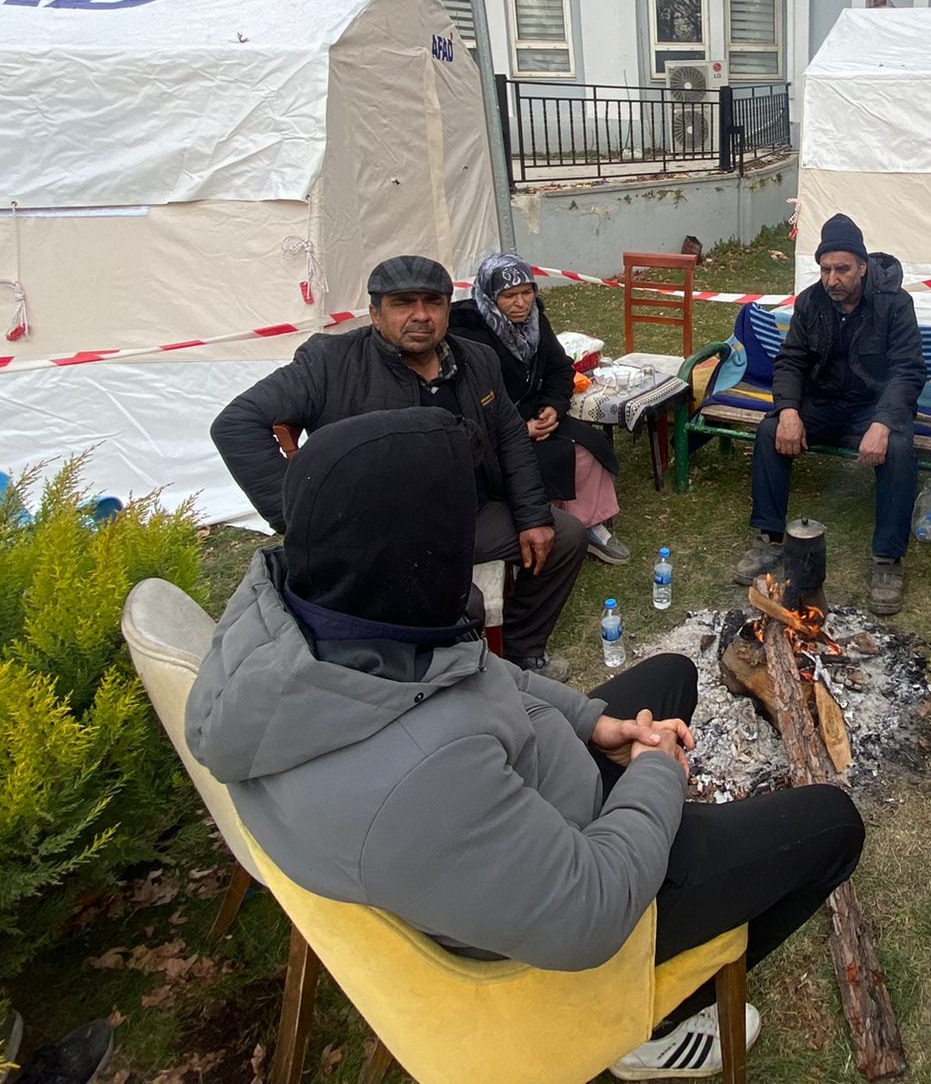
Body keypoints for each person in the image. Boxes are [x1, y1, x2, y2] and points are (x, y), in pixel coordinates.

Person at [186, 410, 866, 1081]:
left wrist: (594, 726)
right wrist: (655, 774)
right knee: (833, 825)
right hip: (581, 891)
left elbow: (468, 674)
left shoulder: (306, 618)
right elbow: (590, 910)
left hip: (506, 808)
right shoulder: (418, 778)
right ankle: (653, 1024)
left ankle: (648, 797)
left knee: (673, 677)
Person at [210, 254, 587, 681]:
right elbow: (236, 424)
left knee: (565, 536)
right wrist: (300, 518)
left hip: (468, 513)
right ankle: (459, 682)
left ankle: (520, 654)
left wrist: (533, 516)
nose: (421, 315)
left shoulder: (477, 360)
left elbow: (510, 438)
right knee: (466, 605)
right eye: (403, 303)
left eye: (433, 302)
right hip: (384, 533)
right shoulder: (330, 363)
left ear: (449, 307)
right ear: (375, 312)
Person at [734, 214, 925, 616]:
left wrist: (882, 423)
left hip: (874, 407)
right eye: (825, 269)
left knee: (901, 448)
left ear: (863, 267)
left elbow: (907, 370)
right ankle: (770, 539)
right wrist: (788, 410)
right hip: (824, 402)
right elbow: (790, 361)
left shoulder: (894, 303)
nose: (832, 279)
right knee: (770, 432)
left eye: (842, 269)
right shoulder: (810, 302)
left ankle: (887, 562)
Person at [449, 251, 632, 565]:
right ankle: (551, 526)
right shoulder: (467, 334)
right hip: (494, 431)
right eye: (509, 296)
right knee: (552, 458)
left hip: (537, 414)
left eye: (527, 292)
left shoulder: (535, 321)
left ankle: (590, 527)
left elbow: (561, 370)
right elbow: (466, 403)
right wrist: (519, 430)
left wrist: (553, 406)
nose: (521, 303)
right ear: (490, 296)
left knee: (591, 446)